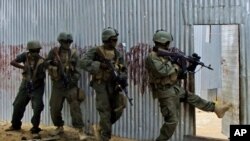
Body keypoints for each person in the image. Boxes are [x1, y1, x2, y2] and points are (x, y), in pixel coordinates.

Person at [145, 30, 232, 141]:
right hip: (165, 92)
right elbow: (162, 71)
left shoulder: (165, 56)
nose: (169, 45)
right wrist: (177, 63)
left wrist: (192, 65)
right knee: (172, 121)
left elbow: (180, 74)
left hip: (173, 88)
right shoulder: (152, 57)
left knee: (193, 97)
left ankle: (216, 109)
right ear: (164, 42)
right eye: (168, 43)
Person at [79, 27, 127, 141]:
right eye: (113, 40)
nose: (115, 42)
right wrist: (99, 65)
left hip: (114, 85)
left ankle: (100, 126)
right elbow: (82, 63)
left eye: (116, 40)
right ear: (107, 39)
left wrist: (122, 77)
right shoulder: (96, 51)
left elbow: (124, 68)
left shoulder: (117, 53)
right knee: (104, 110)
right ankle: (105, 137)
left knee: (119, 107)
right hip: (100, 84)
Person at [45, 32, 87, 140]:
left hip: (70, 86)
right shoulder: (54, 52)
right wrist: (52, 63)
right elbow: (46, 64)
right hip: (57, 86)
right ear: (60, 42)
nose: (67, 44)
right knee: (54, 108)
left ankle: (80, 130)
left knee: (75, 108)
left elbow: (78, 71)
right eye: (65, 42)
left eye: (69, 42)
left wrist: (71, 81)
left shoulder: (74, 54)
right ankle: (59, 127)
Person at [5, 41, 46, 139]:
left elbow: (43, 75)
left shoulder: (42, 61)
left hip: (37, 86)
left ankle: (35, 128)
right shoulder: (25, 56)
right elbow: (12, 62)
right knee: (18, 104)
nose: (36, 53)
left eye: (38, 51)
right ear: (30, 51)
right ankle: (15, 125)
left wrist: (36, 75)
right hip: (25, 83)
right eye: (34, 51)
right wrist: (24, 67)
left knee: (37, 106)